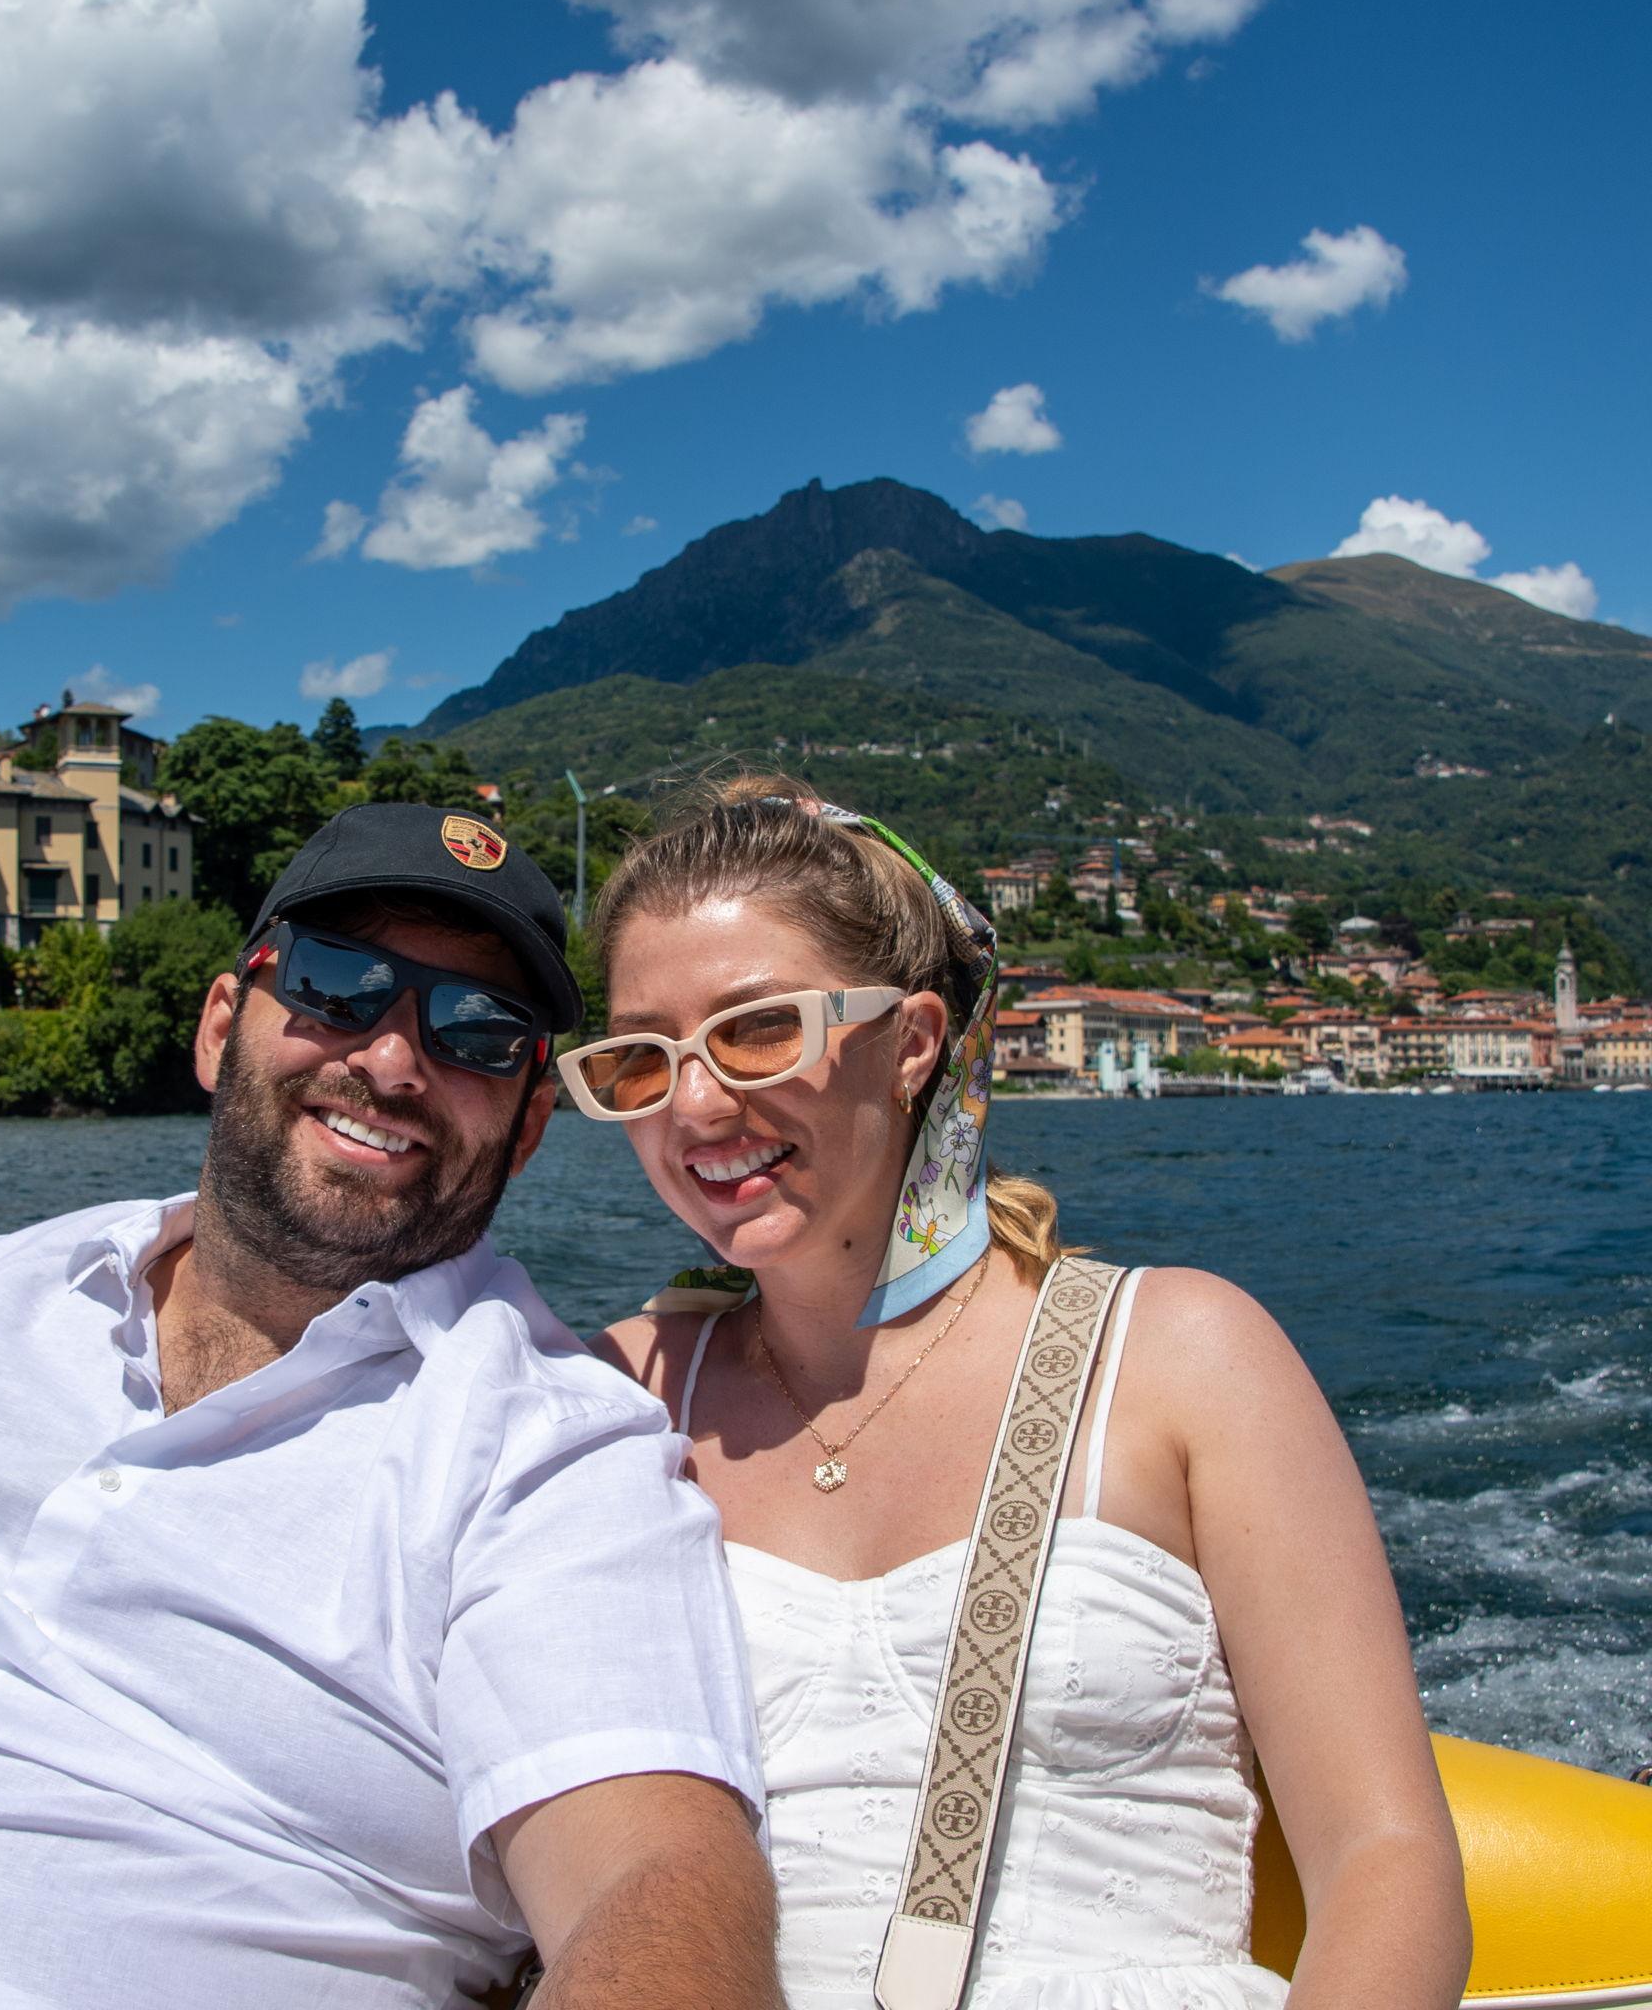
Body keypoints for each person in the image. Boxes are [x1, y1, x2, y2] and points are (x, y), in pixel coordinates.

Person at [0, 803, 780, 2010]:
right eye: (338, 984)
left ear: (529, 1122)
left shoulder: (544, 1457)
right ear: (223, 1025)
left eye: (477, 1033)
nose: (388, 1058)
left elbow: (651, 1874)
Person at [555, 782, 1471, 2009]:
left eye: (758, 1029)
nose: (697, 1105)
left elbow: (1385, 1861)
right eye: (637, 1059)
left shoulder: (1181, 1357)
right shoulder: (614, 1396)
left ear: (914, 1038)